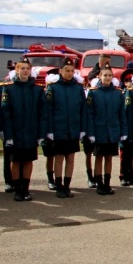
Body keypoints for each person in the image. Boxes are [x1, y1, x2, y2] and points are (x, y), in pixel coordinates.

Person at [0, 59, 47, 201]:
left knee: (27, 160)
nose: (25, 71)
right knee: (15, 161)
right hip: (15, 131)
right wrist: (7, 133)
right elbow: (5, 111)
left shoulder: (37, 89)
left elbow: (42, 112)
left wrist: (41, 133)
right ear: (17, 70)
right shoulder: (9, 88)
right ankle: (17, 189)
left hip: (31, 131)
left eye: (27, 68)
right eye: (22, 68)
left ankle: (25, 189)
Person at [45, 58, 86, 198]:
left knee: (70, 158)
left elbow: (82, 110)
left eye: (72, 71)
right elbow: (48, 110)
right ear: (60, 71)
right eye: (67, 71)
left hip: (73, 129)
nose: (69, 73)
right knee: (59, 158)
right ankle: (59, 186)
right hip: (59, 129)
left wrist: (82, 129)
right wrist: (49, 130)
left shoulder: (78, 88)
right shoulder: (53, 87)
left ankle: (67, 186)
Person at [87, 66, 127, 195]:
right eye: (105, 75)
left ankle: (107, 184)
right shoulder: (93, 93)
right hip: (99, 132)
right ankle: (99, 184)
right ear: (100, 76)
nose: (108, 78)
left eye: (110, 75)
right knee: (99, 158)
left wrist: (123, 132)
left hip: (112, 131)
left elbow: (121, 114)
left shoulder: (117, 93)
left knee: (109, 158)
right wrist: (91, 133)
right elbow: (90, 114)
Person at [116, 67, 133, 187]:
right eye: (127, 80)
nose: (129, 82)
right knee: (124, 154)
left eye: (131, 79)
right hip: (124, 127)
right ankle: (123, 175)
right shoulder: (121, 94)